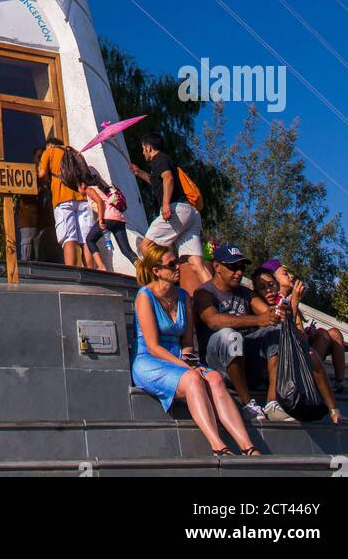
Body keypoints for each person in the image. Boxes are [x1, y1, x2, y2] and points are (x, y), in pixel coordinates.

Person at [132, 243, 260, 458]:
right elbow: (153, 347)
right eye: (172, 264)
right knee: (193, 379)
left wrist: (190, 361)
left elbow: (187, 341)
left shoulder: (184, 297)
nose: (178, 268)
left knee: (216, 379)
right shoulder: (144, 296)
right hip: (151, 361)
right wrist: (187, 368)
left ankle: (248, 447)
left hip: (179, 359)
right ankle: (218, 446)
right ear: (157, 271)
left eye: (178, 263)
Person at [250, 267, 348, 425]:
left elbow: (301, 338)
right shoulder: (255, 300)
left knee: (312, 355)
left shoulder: (285, 301)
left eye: (271, 285)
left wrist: (293, 306)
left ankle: (334, 410)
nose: (268, 290)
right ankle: (271, 404)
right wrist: (294, 304)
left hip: (288, 357)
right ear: (256, 290)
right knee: (277, 338)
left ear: (277, 285)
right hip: (262, 360)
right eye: (262, 287)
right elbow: (277, 322)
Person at [194, 244, 282, 422]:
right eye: (233, 267)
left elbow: (267, 313)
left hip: (246, 360)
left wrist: (278, 312)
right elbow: (213, 321)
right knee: (230, 335)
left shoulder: (246, 293)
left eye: (242, 267)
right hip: (217, 362)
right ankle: (247, 402)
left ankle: (272, 401)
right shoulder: (203, 292)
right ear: (217, 266)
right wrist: (258, 320)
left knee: (276, 330)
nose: (239, 272)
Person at [260, 257, 348, 398]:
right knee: (323, 334)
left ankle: (341, 382)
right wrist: (294, 304)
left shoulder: (291, 299)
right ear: (273, 279)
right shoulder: (269, 300)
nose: (292, 276)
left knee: (334, 333)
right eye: (285, 273)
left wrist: (307, 332)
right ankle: (309, 380)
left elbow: (301, 335)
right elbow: (287, 333)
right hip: (283, 357)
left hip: (298, 349)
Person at [130, 133, 212, 285]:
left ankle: (162, 281)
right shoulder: (164, 161)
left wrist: (166, 204)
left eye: (143, 149)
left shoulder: (158, 159)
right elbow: (157, 181)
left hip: (177, 209)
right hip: (191, 213)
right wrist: (139, 172)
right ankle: (217, 296)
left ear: (149, 148)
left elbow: (168, 178)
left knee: (145, 245)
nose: (142, 152)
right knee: (196, 263)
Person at [38, 138, 94, 269]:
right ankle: (91, 271)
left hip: (62, 198)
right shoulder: (74, 152)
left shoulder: (49, 151)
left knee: (68, 237)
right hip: (82, 198)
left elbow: (42, 174)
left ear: (50, 145)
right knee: (86, 238)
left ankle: (72, 271)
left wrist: (48, 182)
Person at [85, 173, 136, 266]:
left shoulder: (89, 189)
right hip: (119, 218)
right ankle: (143, 269)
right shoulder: (103, 189)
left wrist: (100, 219)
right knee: (126, 250)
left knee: (89, 240)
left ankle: (101, 267)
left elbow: (100, 202)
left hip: (107, 218)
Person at [17, 147, 48, 262]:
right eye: (39, 157)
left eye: (43, 157)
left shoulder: (46, 173)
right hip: (28, 215)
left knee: (38, 245)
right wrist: (40, 189)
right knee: (27, 243)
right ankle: (26, 269)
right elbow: (24, 192)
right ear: (34, 158)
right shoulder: (29, 173)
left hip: (43, 218)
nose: (41, 160)